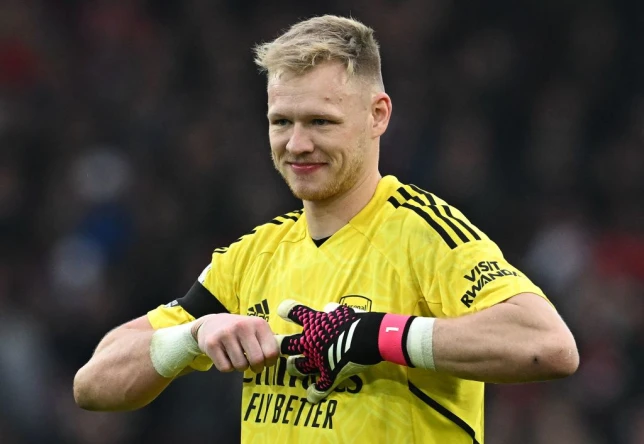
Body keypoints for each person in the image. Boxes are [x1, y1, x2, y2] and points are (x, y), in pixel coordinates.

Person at [73, 15, 579, 443]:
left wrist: (378, 335)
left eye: (320, 122)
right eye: (281, 121)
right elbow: (93, 385)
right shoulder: (253, 256)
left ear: (377, 115)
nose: (296, 144)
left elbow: (548, 345)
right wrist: (191, 336)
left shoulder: (422, 233)